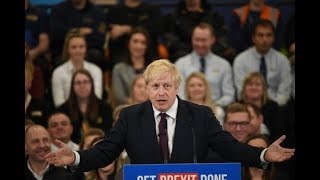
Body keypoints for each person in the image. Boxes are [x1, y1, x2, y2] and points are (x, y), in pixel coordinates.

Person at [45, 59, 294, 172]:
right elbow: (105, 152)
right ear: (147, 88)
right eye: (155, 86)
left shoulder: (201, 115)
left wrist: (262, 154)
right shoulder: (130, 117)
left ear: (177, 87)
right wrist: (76, 157)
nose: (161, 92)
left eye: (167, 86)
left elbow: (229, 147)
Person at [233, 19, 292, 107]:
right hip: (248, 107)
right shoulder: (241, 60)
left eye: (269, 35)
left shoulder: (282, 61)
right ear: (253, 38)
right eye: (260, 35)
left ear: (273, 38)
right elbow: (241, 92)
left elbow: (285, 93)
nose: (265, 39)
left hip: (276, 106)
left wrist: (272, 105)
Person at [175, 22, 235, 107]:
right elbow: (179, 94)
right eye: (197, 39)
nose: (200, 44)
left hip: (216, 112)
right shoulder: (180, 64)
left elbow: (229, 96)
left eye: (204, 40)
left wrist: (211, 107)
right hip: (187, 112)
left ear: (212, 40)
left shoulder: (224, 65)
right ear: (192, 39)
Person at [57, 69, 113, 144]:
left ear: (92, 85)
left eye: (86, 82)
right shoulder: (63, 110)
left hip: (100, 148)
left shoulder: (105, 107)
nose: (82, 86)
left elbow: (109, 133)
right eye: (78, 83)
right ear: (72, 86)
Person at [51, 29, 103, 107]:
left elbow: (97, 98)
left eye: (81, 47)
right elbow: (59, 103)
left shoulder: (96, 70)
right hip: (67, 114)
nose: (78, 50)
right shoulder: (58, 73)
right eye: (74, 47)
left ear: (86, 49)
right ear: (67, 50)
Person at [111, 27, 152, 106]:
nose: (138, 46)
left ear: (147, 46)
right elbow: (120, 97)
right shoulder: (119, 69)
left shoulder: (154, 69)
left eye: (143, 43)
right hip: (127, 109)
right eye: (135, 41)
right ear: (129, 44)